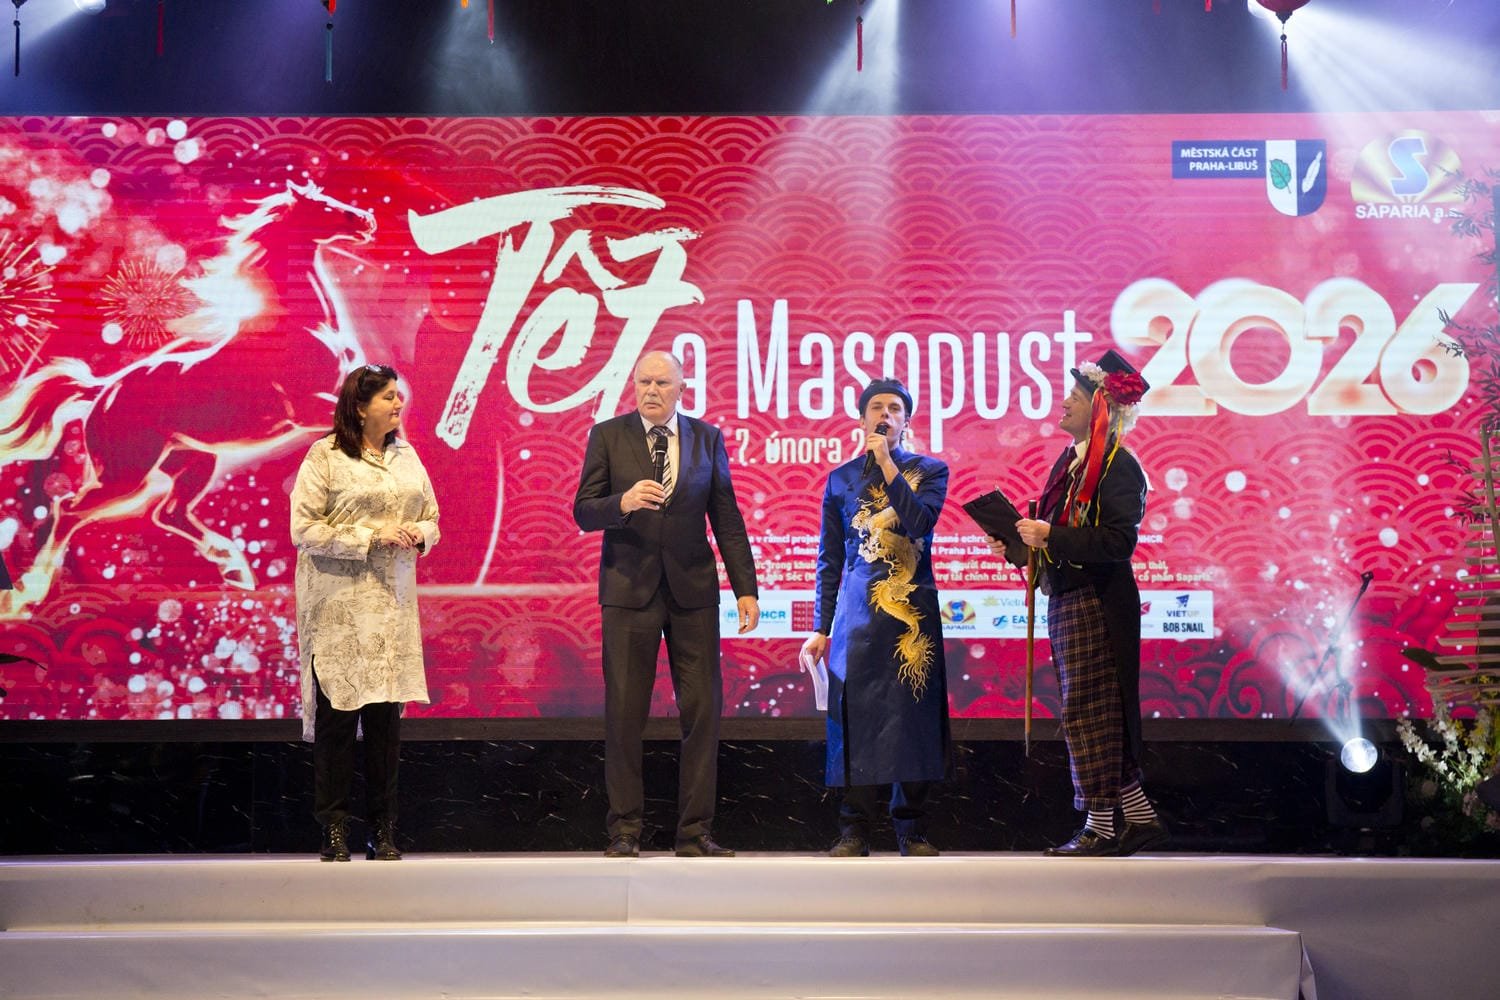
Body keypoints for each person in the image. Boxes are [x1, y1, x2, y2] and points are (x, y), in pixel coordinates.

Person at [572, 350, 760, 858]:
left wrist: (745, 588)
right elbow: (584, 511)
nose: (651, 390)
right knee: (624, 712)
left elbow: (727, 517)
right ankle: (624, 830)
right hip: (628, 591)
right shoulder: (608, 436)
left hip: (692, 592)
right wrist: (622, 502)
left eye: (661, 383)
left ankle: (695, 833)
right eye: (643, 382)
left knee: (702, 710)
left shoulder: (706, 438)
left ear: (681, 388)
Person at [991, 349, 1167, 857]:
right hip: (1067, 596)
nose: (1065, 402)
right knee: (1093, 709)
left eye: (1075, 396)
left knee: (1088, 711)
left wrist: (1049, 535)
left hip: (1097, 599)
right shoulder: (1070, 463)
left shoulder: (1118, 465)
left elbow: (1117, 542)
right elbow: (1058, 538)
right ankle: (1139, 819)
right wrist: (1018, 547)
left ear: (1100, 408)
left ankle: (1101, 825)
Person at [291, 364, 439, 862]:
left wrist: (419, 533)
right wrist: (371, 537)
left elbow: (432, 517)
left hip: (391, 608)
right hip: (340, 608)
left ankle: (383, 828)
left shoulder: (406, 455)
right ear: (359, 406)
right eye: (388, 397)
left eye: (399, 396)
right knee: (337, 723)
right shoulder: (326, 456)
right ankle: (333, 828)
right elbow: (304, 529)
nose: (399, 404)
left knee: (384, 725)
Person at [800, 378, 950, 857]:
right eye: (877, 407)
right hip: (858, 616)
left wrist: (887, 464)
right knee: (854, 720)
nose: (886, 414)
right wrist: (821, 627)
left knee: (914, 719)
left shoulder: (930, 471)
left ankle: (912, 828)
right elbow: (830, 559)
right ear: (862, 418)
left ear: (907, 420)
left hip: (912, 613)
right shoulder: (840, 479)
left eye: (895, 408)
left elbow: (918, 523)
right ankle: (853, 829)